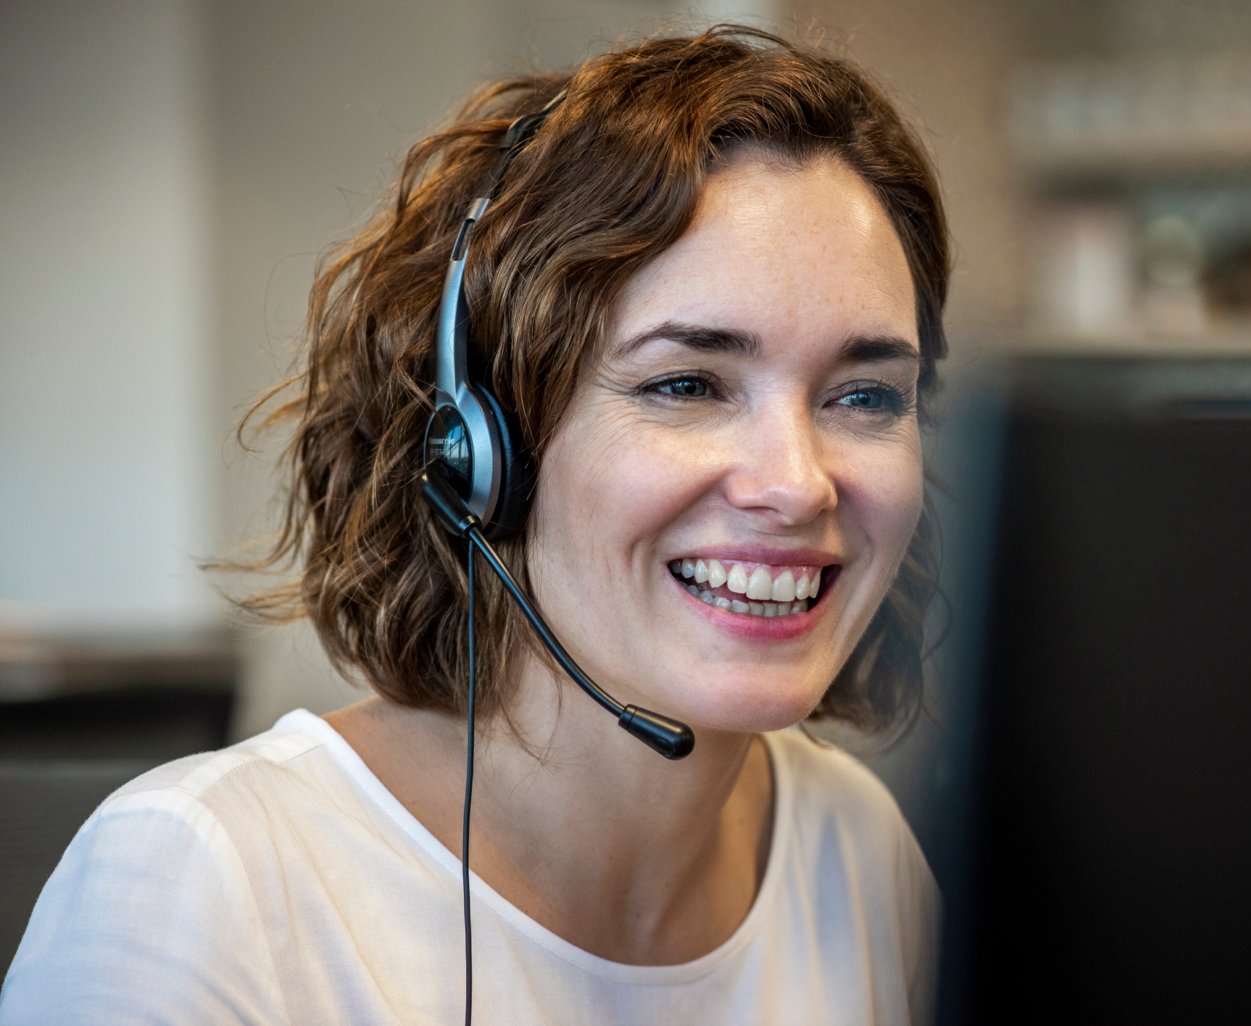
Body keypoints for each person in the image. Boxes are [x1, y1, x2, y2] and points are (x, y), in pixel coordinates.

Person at [0, 25, 949, 1024]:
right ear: (481, 449)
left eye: (865, 398)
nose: (797, 485)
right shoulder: (200, 887)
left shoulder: (859, 856)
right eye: (687, 383)